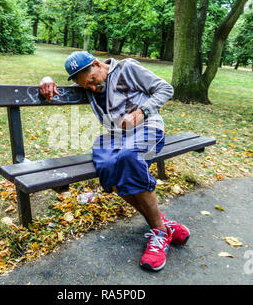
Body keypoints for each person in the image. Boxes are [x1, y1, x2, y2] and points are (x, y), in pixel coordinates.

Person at [39, 51, 190, 271]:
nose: (91, 88)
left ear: (97, 65)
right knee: (109, 169)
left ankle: (158, 233)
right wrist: (46, 80)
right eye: (85, 86)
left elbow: (165, 88)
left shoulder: (127, 69)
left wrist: (141, 112)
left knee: (129, 158)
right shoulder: (88, 84)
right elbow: (59, 91)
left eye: (91, 81)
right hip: (115, 137)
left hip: (147, 129)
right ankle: (163, 224)